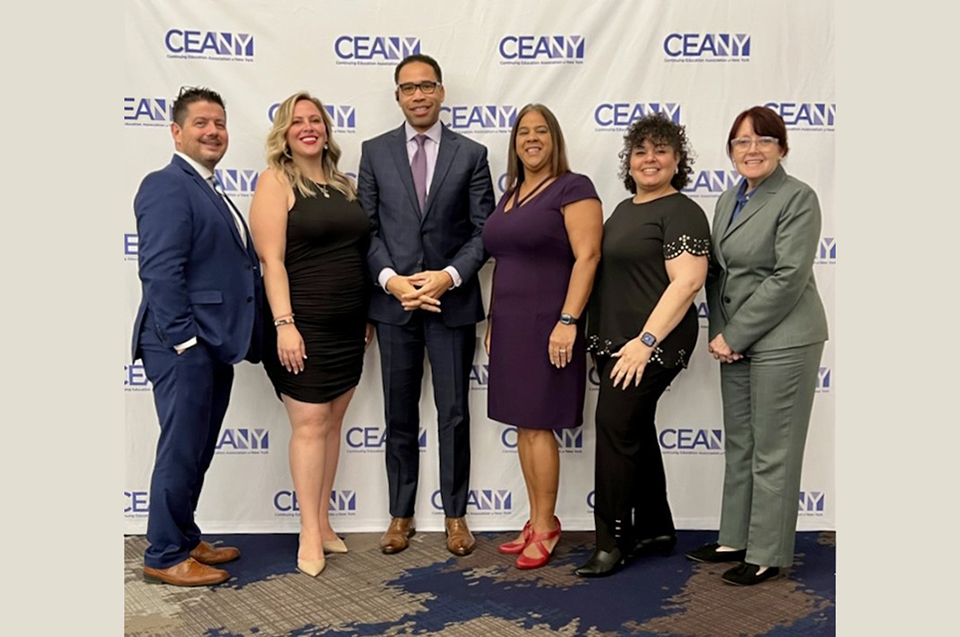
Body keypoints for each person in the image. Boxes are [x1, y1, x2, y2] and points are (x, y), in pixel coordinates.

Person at [358, 54, 495, 556]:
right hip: (394, 306)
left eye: (427, 86)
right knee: (398, 414)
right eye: (408, 88)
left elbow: (485, 231)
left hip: (450, 306)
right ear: (397, 96)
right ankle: (401, 515)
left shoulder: (472, 154)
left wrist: (449, 276)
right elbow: (365, 229)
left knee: (454, 413)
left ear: (441, 92)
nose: (418, 95)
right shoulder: (373, 152)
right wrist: (393, 281)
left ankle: (456, 517)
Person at [685, 106, 829, 586]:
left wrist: (735, 334)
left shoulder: (797, 198)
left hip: (785, 339)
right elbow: (720, 275)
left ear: (782, 148)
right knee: (742, 443)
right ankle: (735, 538)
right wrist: (721, 336)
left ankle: (767, 551)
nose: (751, 150)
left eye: (763, 140)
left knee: (774, 449)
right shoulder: (728, 200)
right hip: (737, 341)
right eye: (741, 142)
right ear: (730, 151)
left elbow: (789, 277)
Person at [132, 87, 263, 586]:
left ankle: (184, 537)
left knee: (198, 448)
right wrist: (184, 341)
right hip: (181, 345)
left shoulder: (209, 186)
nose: (213, 131)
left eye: (220, 123)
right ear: (176, 131)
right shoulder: (166, 184)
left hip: (214, 343)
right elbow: (161, 271)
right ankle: (164, 554)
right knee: (182, 448)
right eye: (202, 123)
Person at [575, 113, 710, 577]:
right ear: (629, 162)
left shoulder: (682, 211)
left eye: (660, 151)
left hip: (652, 343)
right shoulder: (623, 209)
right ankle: (655, 526)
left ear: (677, 161)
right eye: (640, 151)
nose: (649, 159)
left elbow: (688, 282)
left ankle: (613, 540)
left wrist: (645, 342)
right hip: (616, 341)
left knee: (614, 425)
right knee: (633, 426)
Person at [249, 92, 372, 577]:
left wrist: (363, 316)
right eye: (297, 121)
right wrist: (284, 325)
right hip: (301, 325)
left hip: (347, 324)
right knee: (309, 425)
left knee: (332, 425)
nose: (308, 128)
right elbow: (271, 261)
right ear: (285, 131)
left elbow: (355, 254)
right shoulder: (275, 181)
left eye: (315, 120)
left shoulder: (343, 185)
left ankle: (322, 523)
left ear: (326, 129)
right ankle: (306, 533)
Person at [482, 104, 602, 569]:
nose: (532, 138)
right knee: (523, 425)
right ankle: (535, 519)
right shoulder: (510, 193)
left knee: (538, 425)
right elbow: (504, 263)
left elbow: (588, 257)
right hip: (510, 323)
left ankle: (548, 524)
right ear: (514, 142)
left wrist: (569, 321)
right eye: (523, 132)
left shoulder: (574, 187)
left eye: (541, 131)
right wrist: (493, 320)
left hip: (550, 323)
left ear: (555, 138)